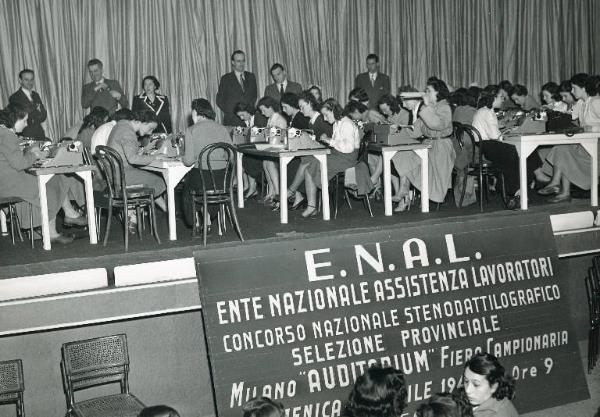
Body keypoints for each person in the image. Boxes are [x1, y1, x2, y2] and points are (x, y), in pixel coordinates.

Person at [0, 103, 86, 244]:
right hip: (11, 184)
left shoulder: (3, 133)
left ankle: (49, 225)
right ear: (15, 119)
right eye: (25, 120)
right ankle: (53, 231)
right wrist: (36, 155)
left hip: (5, 181)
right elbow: (20, 164)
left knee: (47, 181)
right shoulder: (7, 136)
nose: (26, 124)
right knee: (48, 185)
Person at [472, 85, 543, 209]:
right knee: (520, 153)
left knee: (521, 152)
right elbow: (495, 135)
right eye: (500, 97)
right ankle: (521, 189)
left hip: (486, 147)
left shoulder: (483, 110)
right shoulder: (488, 112)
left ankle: (519, 189)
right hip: (490, 146)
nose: (503, 99)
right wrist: (508, 133)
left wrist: (505, 127)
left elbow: (492, 129)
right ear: (492, 98)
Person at [391, 78, 456, 211]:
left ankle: (413, 191)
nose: (426, 93)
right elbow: (415, 132)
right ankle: (404, 187)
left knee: (422, 163)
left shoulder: (444, 107)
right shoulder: (430, 108)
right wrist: (397, 129)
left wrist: (426, 106)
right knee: (402, 153)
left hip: (441, 146)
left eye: (428, 91)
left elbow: (436, 125)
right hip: (428, 145)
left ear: (438, 92)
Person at [539, 73, 600, 203]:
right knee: (561, 148)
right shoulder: (581, 103)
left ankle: (557, 185)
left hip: (596, 148)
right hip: (586, 145)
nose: (572, 91)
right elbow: (569, 118)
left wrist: (592, 129)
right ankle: (560, 188)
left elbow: (590, 127)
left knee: (564, 151)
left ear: (583, 88)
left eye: (574, 88)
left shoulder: (596, 102)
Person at [301, 98, 360, 217]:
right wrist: (329, 141)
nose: (324, 118)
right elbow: (337, 144)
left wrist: (330, 141)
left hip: (347, 159)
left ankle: (312, 205)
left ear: (333, 110)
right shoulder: (338, 123)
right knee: (310, 162)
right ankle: (312, 205)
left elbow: (348, 148)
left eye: (326, 115)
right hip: (339, 156)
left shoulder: (347, 123)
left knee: (312, 165)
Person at [181, 98, 232, 228]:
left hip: (202, 180)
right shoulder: (222, 128)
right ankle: (208, 216)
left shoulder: (191, 130)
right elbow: (230, 155)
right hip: (222, 180)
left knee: (187, 188)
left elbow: (188, 161)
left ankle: (195, 221)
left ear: (195, 112)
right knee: (201, 182)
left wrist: (181, 157)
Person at [285, 92, 334, 210]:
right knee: (305, 160)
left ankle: (291, 191)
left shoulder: (321, 119)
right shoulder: (311, 121)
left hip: (330, 154)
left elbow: (328, 142)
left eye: (302, 107)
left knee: (306, 161)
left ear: (310, 103)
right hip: (319, 153)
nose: (301, 111)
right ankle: (293, 193)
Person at [106, 109, 166, 204]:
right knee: (159, 182)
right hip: (121, 175)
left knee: (150, 178)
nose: (150, 133)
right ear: (141, 122)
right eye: (150, 128)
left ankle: (166, 210)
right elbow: (133, 159)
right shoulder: (128, 132)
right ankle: (135, 209)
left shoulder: (121, 125)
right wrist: (155, 157)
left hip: (113, 173)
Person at [256, 96, 288, 203]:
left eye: (263, 110)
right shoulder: (271, 119)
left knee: (269, 162)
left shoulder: (279, 120)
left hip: (283, 151)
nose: (262, 113)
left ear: (270, 108)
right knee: (265, 162)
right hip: (275, 149)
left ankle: (278, 194)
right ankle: (271, 192)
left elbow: (281, 139)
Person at [216, 50, 258, 126]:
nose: (241, 64)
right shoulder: (225, 79)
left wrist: (248, 113)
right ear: (233, 62)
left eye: (243, 61)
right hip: (232, 121)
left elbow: (254, 97)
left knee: (251, 138)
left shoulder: (251, 76)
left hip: (249, 120)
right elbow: (220, 101)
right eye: (238, 61)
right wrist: (237, 113)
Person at [8, 69, 47, 140]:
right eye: (26, 80)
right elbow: (23, 116)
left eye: (31, 79)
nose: (30, 82)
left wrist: (34, 114)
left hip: (40, 134)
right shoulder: (14, 97)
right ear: (20, 81)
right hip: (25, 135)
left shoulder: (36, 95)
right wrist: (36, 113)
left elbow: (44, 115)